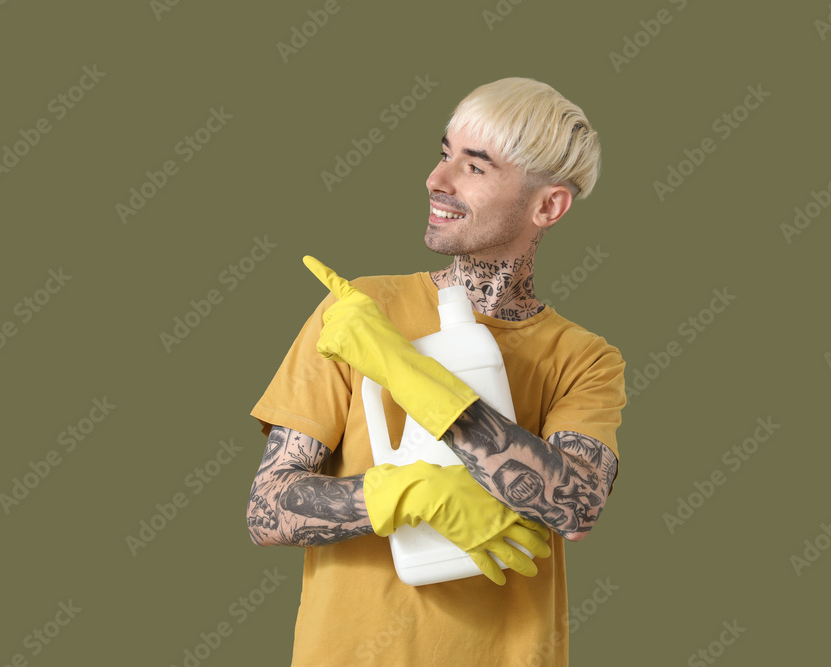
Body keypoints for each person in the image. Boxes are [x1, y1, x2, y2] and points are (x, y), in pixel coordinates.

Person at [246, 77, 625, 666]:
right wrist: (405, 492)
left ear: (546, 205)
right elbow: (268, 511)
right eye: (443, 153)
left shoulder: (582, 358)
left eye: (474, 167)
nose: (436, 179)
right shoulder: (358, 312)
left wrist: (409, 373)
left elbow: (575, 506)